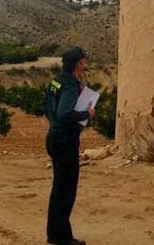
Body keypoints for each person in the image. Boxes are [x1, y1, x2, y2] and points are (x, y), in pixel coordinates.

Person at [44, 46, 95, 245]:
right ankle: (63, 238)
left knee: (58, 189)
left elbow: (49, 107)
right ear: (78, 64)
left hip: (54, 137)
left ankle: (54, 234)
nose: (85, 65)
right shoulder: (70, 85)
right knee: (66, 191)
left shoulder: (56, 81)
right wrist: (86, 114)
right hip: (65, 140)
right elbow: (65, 114)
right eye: (83, 62)